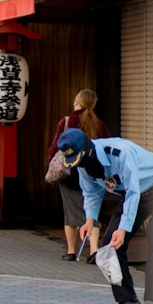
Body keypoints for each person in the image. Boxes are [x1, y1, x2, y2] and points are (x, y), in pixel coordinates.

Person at [57, 126, 153, 304]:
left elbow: (133, 191)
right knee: (110, 245)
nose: (78, 164)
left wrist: (124, 228)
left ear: (86, 149)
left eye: (79, 159)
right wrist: (90, 219)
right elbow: (91, 193)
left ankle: (151, 302)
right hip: (135, 196)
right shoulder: (82, 163)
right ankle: (128, 301)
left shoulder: (120, 153)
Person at [47, 88, 109, 260]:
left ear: (78, 102)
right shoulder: (100, 124)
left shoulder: (67, 122)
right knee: (92, 211)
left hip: (69, 173)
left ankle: (71, 252)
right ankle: (94, 251)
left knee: (70, 212)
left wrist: (51, 163)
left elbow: (56, 146)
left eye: (75, 101)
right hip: (93, 172)